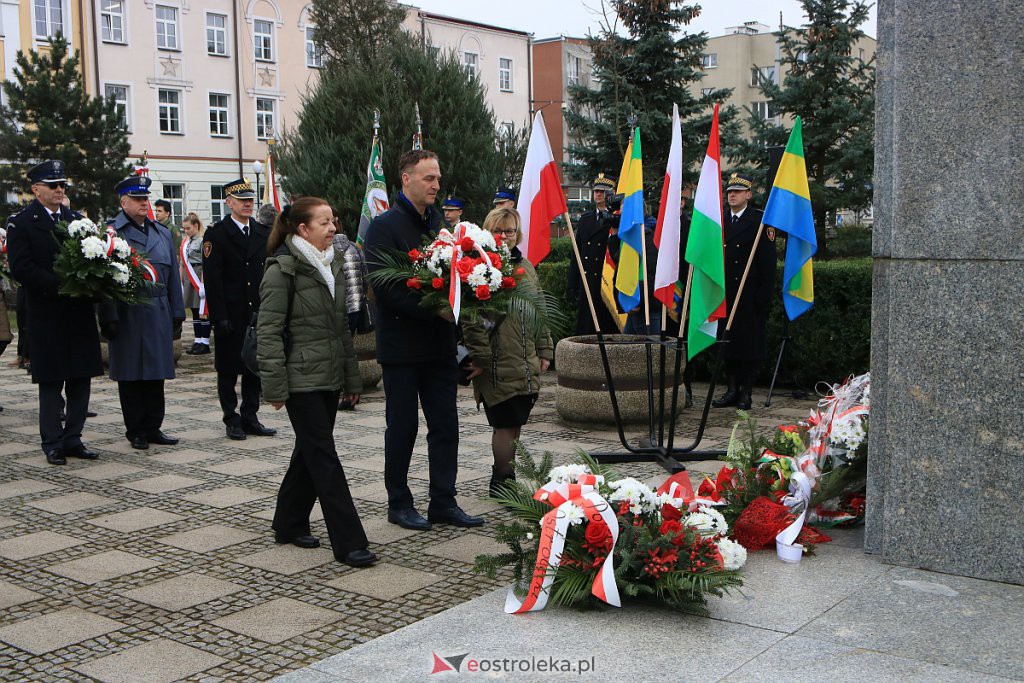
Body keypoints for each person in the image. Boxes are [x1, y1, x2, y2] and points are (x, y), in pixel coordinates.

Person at [365, 149, 484, 531]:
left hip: (438, 346)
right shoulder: (384, 227)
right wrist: (432, 309)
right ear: (406, 179)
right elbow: (384, 288)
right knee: (403, 428)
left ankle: (443, 501)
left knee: (446, 425)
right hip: (401, 347)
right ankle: (399, 503)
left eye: (437, 177)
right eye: (428, 178)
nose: (436, 184)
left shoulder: (441, 224)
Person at [258, 197, 375, 568]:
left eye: (333, 220)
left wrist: (352, 377)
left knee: (309, 452)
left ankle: (288, 522)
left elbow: (340, 329)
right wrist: (274, 387)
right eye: (324, 222)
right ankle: (350, 542)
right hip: (299, 380)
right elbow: (269, 332)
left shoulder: (332, 265)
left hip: (328, 376)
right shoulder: (282, 270)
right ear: (302, 229)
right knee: (324, 457)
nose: (334, 228)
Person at [6, 161, 102, 464]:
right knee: (51, 380)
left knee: (80, 378)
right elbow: (21, 267)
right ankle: (52, 442)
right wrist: (61, 284)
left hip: (79, 312)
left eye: (62, 185)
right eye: (53, 185)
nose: (60, 190)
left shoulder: (78, 220)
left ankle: (74, 438)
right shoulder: (21, 222)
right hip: (47, 311)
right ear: (36, 190)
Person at [463, 208, 553, 496]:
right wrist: (480, 355)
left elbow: (540, 308)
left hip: (524, 359)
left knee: (514, 425)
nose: (505, 236)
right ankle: (503, 483)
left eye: (510, 231)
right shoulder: (481, 267)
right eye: (499, 231)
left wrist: (545, 348)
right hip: (497, 360)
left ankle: (505, 479)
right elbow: (473, 319)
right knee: (504, 425)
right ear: (489, 232)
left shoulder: (525, 265)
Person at [99, 176, 186, 449]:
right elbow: (104, 279)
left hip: (158, 310)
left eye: (145, 198)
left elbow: (173, 276)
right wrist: (109, 315)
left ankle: (153, 427)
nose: (144, 203)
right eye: (137, 199)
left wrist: (177, 313)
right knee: (130, 373)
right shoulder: (112, 233)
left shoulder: (160, 232)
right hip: (128, 311)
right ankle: (135, 429)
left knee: (156, 372)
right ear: (123, 202)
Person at [203, 178, 277, 440]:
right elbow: (212, 280)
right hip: (230, 313)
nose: (247, 204)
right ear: (229, 202)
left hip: (256, 313)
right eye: (241, 200)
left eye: (250, 200)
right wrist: (218, 316)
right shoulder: (217, 234)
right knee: (228, 369)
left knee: (253, 368)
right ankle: (231, 418)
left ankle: (250, 415)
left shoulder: (261, 232)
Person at [712, 172, 776, 411]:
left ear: (748, 194)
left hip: (749, 295)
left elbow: (768, 264)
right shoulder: (719, 222)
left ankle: (746, 392)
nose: (732, 195)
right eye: (729, 191)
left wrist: (763, 297)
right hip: (725, 294)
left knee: (749, 346)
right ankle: (731, 389)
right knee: (726, 345)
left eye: (737, 191)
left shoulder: (760, 222)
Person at [567, 173, 621, 335]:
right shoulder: (586, 219)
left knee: (606, 327)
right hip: (588, 280)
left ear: (611, 194)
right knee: (586, 327)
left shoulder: (617, 219)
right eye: (596, 191)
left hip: (606, 279)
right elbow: (577, 252)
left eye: (602, 192)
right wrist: (573, 283)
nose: (598, 194)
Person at [331, 210, 371, 412]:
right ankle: (352, 392)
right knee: (350, 350)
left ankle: (342, 391)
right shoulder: (355, 249)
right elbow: (365, 277)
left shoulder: (327, 251)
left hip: (337, 308)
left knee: (338, 351)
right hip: (355, 307)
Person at [179, 213, 210, 355]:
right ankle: (197, 340)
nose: (186, 231)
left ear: (196, 226)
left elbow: (205, 264)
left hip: (198, 275)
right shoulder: (186, 242)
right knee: (194, 310)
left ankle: (205, 341)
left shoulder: (203, 241)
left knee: (202, 310)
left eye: (188, 228)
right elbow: (182, 262)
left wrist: (203, 283)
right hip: (188, 277)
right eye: (184, 228)